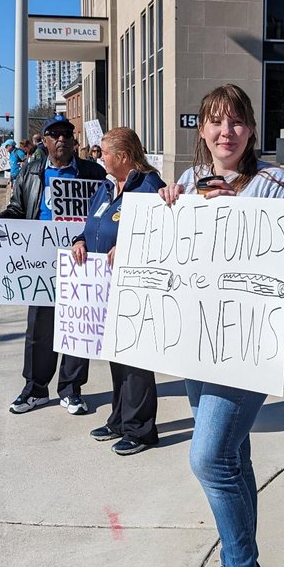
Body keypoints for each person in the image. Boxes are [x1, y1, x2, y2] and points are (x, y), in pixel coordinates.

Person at [159, 83, 284, 567]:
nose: (227, 133)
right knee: (234, 457)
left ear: (251, 129)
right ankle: (234, 555)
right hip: (196, 338)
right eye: (216, 123)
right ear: (201, 130)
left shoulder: (275, 183)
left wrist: (234, 219)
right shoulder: (189, 183)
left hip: (247, 338)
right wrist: (172, 211)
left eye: (237, 122)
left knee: (209, 456)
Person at [0, 116, 107, 415]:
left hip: (81, 258)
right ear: (45, 141)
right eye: (54, 135)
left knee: (78, 325)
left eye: (66, 134)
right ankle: (35, 389)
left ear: (74, 141)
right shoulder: (31, 172)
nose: (61, 139)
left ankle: (71, 389)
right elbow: (17, 208)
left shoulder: (93, 173)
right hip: (40, 263)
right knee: (39, 330)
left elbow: (106, 208)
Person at [69, 127, 165, 455]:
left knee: (135, 360)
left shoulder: (150, 186)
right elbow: (91, 225)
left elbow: (164, 235)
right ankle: (120, 418)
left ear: (122, 156)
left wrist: (131, 248)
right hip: (104, 287)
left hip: (135, 289)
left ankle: (141, 430)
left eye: (104, 152)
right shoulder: (107, 186)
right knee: (116, 357)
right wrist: (80, 240)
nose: (99, 157)